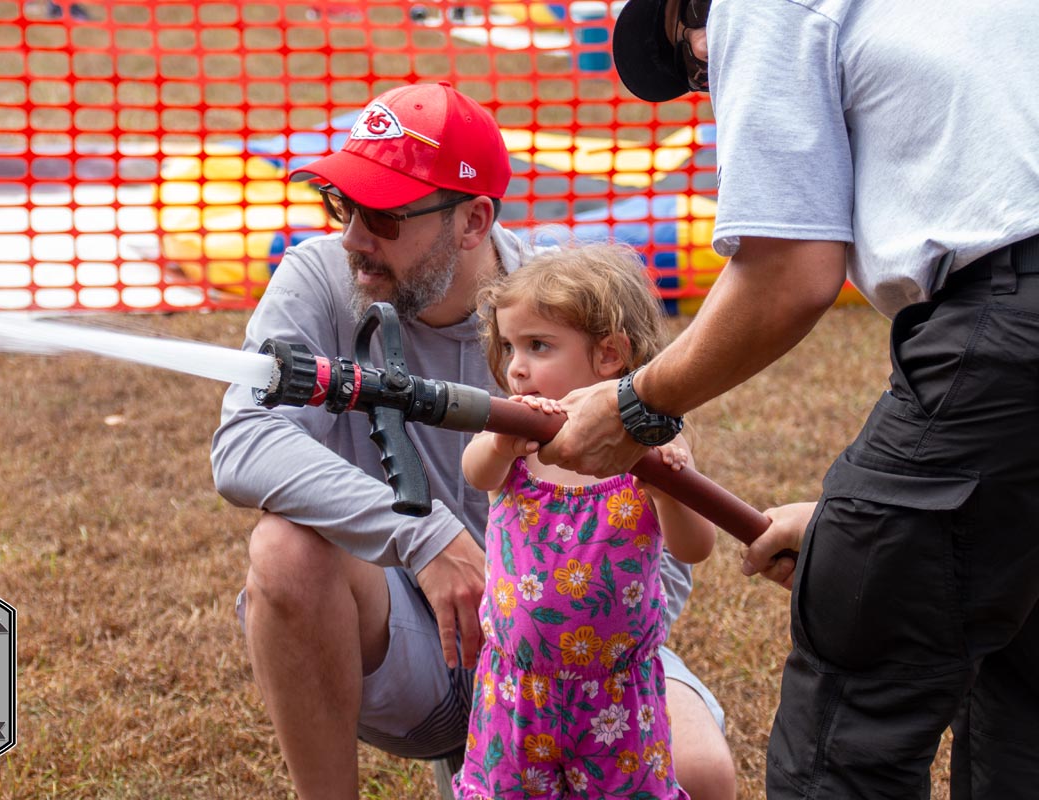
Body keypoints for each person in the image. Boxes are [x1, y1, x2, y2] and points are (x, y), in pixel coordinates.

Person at [539, 1, 1039, 797]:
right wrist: (858, 517)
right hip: (1005, 342)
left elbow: (790, 272)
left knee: (844, 731)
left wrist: (635, 404)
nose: (708, 58)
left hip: (1008, 315)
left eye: (693, 42)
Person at [210, 81, 736, 799]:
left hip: (575, 658)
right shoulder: (322, 279)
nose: (354, 237)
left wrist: (550, 646)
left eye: (385, 216)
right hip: (410, 649)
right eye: (345, 206)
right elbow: (242, 442)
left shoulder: (571, 302)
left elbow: (668, 550)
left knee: (701, 777)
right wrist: (423, 538)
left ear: (473, 219)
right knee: (285, 550)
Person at [453, 245, 715, 799]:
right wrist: (500, 443)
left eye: (538, 346)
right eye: (509, 346)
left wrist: (665, 490)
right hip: (517, 690)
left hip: (618, 697)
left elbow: (694, 547)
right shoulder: (515, 443)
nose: (516, 366)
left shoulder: (646, 451)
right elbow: (477, 473)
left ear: (608, 356)